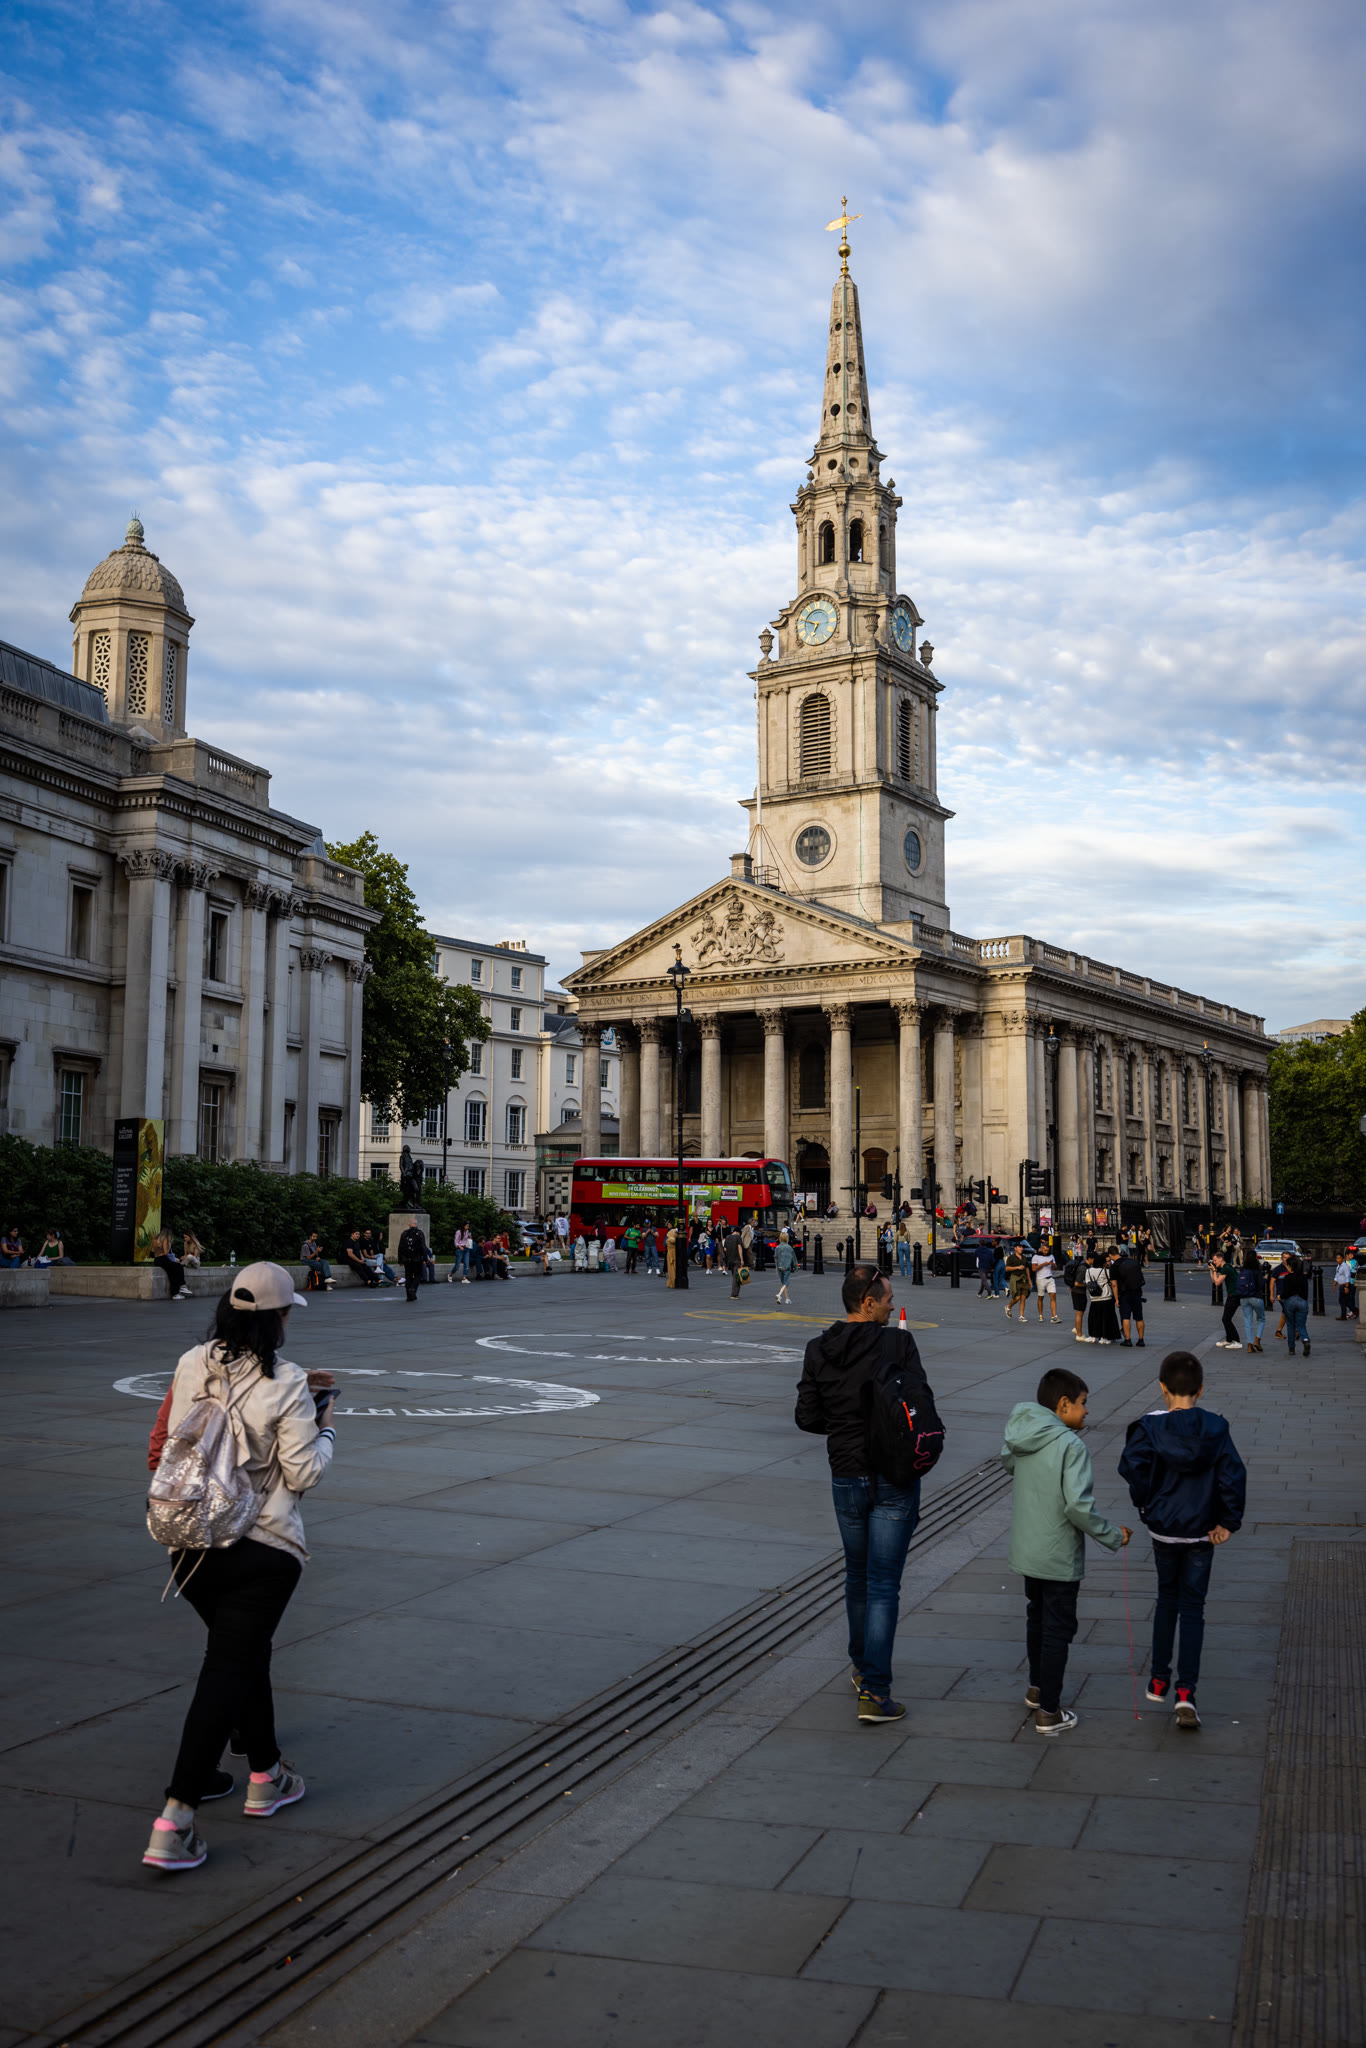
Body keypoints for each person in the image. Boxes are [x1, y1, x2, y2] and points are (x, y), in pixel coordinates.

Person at [141, 1262, 335, 1872]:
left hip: (191, 1545)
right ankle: (175, 1819)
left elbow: (173, 1437)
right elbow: (303, 1473)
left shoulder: (191, 1361)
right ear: (277, 1320)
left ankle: (265, 1774)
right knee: (226, 1669)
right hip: (261, 1548)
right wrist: (326, 1428)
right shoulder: (288, 1381)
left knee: (244, 1655)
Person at [796, 1265, 935, 1724]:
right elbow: (921, 1403)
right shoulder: (897, 1344)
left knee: (857, 1575)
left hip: (846, 1474)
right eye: (888, 1299)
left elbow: (806, 1416)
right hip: (893, 1476)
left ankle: (861, 1667)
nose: (893, 1306)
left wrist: (844, 1426)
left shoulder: (819, 1348)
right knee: (883, 1584)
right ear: (868, 1303)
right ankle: (875, 1691)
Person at [1118, 1349, 1246, 1731]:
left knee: (1166, 1599)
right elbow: (1232, 1476)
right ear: (1201, 1390)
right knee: (1193, 1608)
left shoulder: (1149, 1427)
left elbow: (1133, 1468)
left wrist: (1146, 1504)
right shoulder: (1215, 1427)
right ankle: (1186, 1692)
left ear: (1162, 1388)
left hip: (1164, 1527)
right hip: (1202, 1530)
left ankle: (1159, 1677)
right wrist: (1228, 1522)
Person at [1001, 1366, 1130, 1737]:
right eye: (1083, 1403)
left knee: (1037, 1617)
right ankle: (1049, 1712)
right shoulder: (1071, 1446)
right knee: (1057, 1629)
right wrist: (1112, 1535)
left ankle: (1037, 1687)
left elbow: (1008, 1461)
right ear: (1063, 1405)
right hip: (1057, 1553)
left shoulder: (1022, 1434)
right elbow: (1078, 1507)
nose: (1087, 1410)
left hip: (1028, 1549)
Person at [1112, 1242, 1145, 1347]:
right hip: (1136, 1292)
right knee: (1139, 1317)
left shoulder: (1115, 1266)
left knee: (1125, 1317)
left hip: (1124, 1293)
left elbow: (1114, 1284)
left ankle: (1128, 1339)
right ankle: (1141, 1340)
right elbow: (1140, 1278)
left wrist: (1116, 1299)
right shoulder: (1133, 1262)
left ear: (1110, 1255)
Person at [1278, 1253, 1311, 1356]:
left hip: (1290, 1301)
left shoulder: (1288, 1277)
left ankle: (1291, 1348)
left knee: (1291, 1325)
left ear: (1290, 1266)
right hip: (1302, 1301)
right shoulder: (1303, 1277)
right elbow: (1306, 1292)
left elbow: (1286, 1291)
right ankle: (1305, 1340)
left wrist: (1281, 1297)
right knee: (1301, 1325)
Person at [1209, 1243, 1241, 1349]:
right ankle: (1229, 1339)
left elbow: (1218, 1283)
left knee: (1226, 1319)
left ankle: (1237, 1341)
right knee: (1226, 1319)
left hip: (1235, 1296)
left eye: (1215, 1260)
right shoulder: (1223, 1268)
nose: (1214, 1262)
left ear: (1221, 1259)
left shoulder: (1226, 1268)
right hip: (1232, 1295)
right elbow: (1214, 1280)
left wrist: (1214, 1270)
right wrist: (1212, 1270)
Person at [1236, 1247, 1265, 1354]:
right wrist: (1265, 1279)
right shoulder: (1257, 1270)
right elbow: (1260, 1284)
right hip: (1256, 1297)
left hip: (1243, 1297)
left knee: (1248, 1321)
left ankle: (1249, 1346)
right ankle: (1257, 1339)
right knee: (1261, 1319)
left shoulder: (1242, 1269)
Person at [1083, 1251, 1117, 1344]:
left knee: (1094, 1318)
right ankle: (1103, 1337)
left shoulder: (1088, 1271)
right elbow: (1112, 1282)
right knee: (1105, 1319)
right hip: (1106, 1297)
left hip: (1094, 1298)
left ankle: (1093, 1336)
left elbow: (1087, 1282)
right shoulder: (1105, 1271)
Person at [152, 1227, 192, 1302]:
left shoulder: (155, 1239)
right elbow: (166, 1253)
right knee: (179, 1267)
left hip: (157, 1260)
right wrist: (169, 1246)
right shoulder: (165, 1239)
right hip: (163, 1259)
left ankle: (176, 1293)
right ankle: (182, 1286)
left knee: (172, 1273)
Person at [397, 1219, 429, 1303]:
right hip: (416, 1258)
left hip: (406, 1259)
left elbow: (400, 1247)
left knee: (408, 1275)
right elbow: (423, 1246)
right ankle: (413, 1289)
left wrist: (400, 1259)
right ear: (416, 1225)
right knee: (418, 1275)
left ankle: (409, 1295)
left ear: (409, 1225)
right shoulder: (420, 1233)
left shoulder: (404, 1233)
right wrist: (425, 1258)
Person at [1031, 1242, 1060, 1325]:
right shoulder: (1036, 1257)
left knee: (1053, 1296)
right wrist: (1043, 1264)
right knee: (1041, 1297)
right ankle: (1040, 1315)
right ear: (1041, 1249)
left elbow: (1055, 1268)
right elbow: (1033, 1269)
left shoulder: (1051, 1256)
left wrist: (1053, 1265)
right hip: (1040, 1279)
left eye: (1047, 1250)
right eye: (1044, 1250)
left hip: (1050, 1278)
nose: (1046, 1252)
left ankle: (1054, 1316)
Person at [1004, 1242, 1030, 1323]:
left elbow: (1027, 1268)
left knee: (1023, 1298)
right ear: (1015, 1248)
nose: (1021, 1248)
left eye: (1022, 1247)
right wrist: (1017, 1267)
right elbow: (1007, 1268)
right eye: (1019, 1247)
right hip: (1015, 1279)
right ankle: (1008, 1307)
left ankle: (1021, 1316)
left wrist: (1029, 1280)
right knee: (1017, 1297)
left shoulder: (1024, 1258)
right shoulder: (1011, 1258)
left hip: (1024, 1279)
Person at [775, 1229, 797, 1305]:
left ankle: (787, 1299)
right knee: (786, 1283)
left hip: (780, 1267)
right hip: (787, 1267)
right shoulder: (789, 1248)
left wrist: (777, 1267)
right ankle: (779, 1295)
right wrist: (796, 1267)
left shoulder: (777, 1247)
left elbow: (776, 1257)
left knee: (784, 1284)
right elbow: (794, 1258)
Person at [1334, 1249, 1358, 1320]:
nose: (1352, 1256)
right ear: (1346, 1255)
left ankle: (1353, 1311)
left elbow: (1350, 1274)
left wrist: (1347, 1286)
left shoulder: (1353, 1262)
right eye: (1350, 1254)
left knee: (1349, 1298)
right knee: (1343, 1300)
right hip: (1343, 1284)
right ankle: (1348, 1312)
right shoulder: (1341, 1264)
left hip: (1351, 1283)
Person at [723, 1224, 745, 1299]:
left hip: (730, 1259)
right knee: (736, 1277)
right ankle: (734, 1294)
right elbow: (739, 1248)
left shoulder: (727, 1237)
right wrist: (742, 1259)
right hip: (737, 1259)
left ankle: (736, 1293)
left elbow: (725, 1249)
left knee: (734, 1275)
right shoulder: (738, 1237)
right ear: (738, 1232)